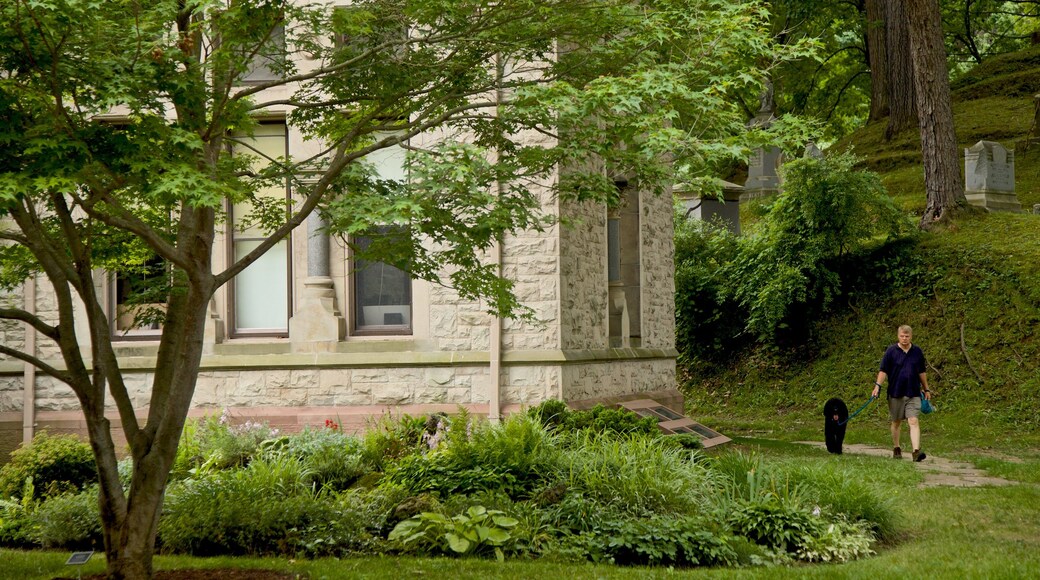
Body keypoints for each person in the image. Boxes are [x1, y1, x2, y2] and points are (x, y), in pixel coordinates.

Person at [871, 325, 932, 462]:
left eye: (907, 336)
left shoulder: (917, 352)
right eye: (902, 336)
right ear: (898, 336)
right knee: (896, 422)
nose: (904, 339)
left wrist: (926, 388)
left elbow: (922, 372)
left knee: (913, 420)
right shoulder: (891, 351)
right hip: (896, 392)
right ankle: (896, 447)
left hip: (913, 393)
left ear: (911, 337)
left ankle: (916, 451)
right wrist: (877, 386)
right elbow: (883, 370)